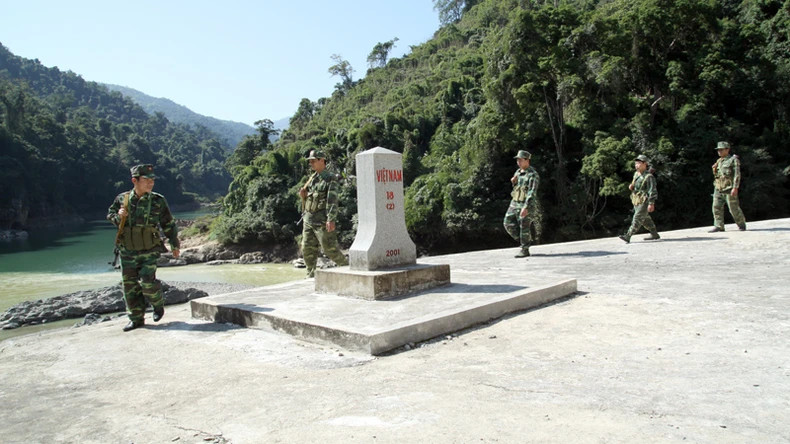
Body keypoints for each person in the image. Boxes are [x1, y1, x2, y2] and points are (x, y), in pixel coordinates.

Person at [107, 164, 180, 332]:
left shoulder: (157, 200)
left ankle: (157, 304)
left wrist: (174, 243)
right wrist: (118, 216)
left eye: (152, 180)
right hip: (128, 250)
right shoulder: (122, 199)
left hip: (149, 249)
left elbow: (168, 223)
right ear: (135, 180)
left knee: (148, 282)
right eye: (147, 180)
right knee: (129, 286)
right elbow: (110, 214)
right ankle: (136, 318)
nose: (151, 183)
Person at [298, 149, 348, 278]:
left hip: (322, 221)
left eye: (313, 161)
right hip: (309, 219)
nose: (311, 164)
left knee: (329, 249)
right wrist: (303, 196)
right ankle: (310, 275)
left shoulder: (330, 178)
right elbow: (310, 198)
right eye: (310, 161)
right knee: (307, 248)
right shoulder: (312, 179)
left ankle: (348, 268)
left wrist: (331, 219)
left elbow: (332, 201)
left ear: (322, 160)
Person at [503, 150, 540, 258]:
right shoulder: (518, 172)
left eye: (520, 160)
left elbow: (532, 192)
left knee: (524, 226)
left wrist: (526, 207)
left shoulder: (533, 175)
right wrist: (513, 181)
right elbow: (516, 187)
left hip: (525, 203)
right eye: (517, 160)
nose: (518, 162)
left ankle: (525, 249)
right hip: (514, 202)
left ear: (527, 160)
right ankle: (524, 240)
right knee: (507, 223)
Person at [619, 154, 660, 243]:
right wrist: (631, 186)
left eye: (639, 163)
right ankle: (654, 234)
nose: (636, 165)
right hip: (637, 199)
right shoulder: (636, 174)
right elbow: (635, 185)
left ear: (645, 164)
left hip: (645, 200)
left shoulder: (649, 177)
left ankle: (628, 235)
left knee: (637, 217)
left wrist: (651, 203)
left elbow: (652, 190)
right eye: (636, 163)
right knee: (645, 219)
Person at [709, 141, 746, 232]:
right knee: (716, 207)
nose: (719, 151)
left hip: (729, 188)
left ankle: (741, 224)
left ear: (727, 149)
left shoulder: (733, 160)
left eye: (721, 150)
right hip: (719, 187)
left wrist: (735, 187)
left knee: (733, 208)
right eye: (718, 150)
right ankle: (719, 225)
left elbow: (737, 175)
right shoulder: (719, 161)